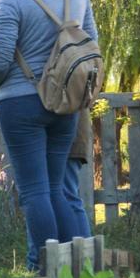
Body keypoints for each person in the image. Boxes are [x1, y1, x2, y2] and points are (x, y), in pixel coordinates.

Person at [0, 0, 98, 271]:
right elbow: (91, 43)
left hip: (21, 102)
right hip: (65, 103)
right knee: (56, 189)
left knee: (34, 192)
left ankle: (45, 271)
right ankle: (78, 270)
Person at [25, 110, 93, 267]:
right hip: (70, 133)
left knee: (61, 196)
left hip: (65, 135)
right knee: (63, 196)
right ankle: (84, 262)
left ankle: (80, 262)